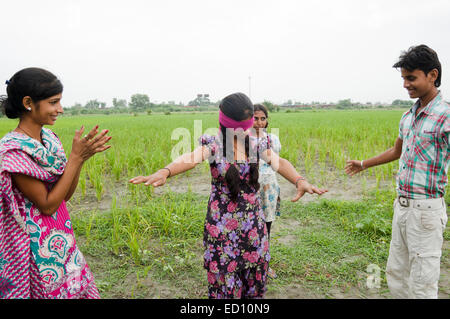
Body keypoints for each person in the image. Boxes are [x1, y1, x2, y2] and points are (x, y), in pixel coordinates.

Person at [130, 92, 327, 299]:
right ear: (226, 123)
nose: (246, 132)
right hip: (222, 232)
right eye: (241, 128)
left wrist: (299, 180)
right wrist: (165, 171)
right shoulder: (214, 145)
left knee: (253, 287)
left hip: (253, 229)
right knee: (225, 287)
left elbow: (280, 162)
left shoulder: (256, 143)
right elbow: (191, 157)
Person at [345, 45, 449, 299]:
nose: (405, 84)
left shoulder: (445, 116)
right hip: (401, 208)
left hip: (426, 212)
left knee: (423, 282)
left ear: (432, 75)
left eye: (411, 78)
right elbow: (397, 151)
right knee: (396, 274)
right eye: (403, 78)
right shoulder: (408, 116)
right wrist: (364, 163)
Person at [0, 67, 111, 299]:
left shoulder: (49, 140)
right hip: (34, 248)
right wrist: (75, 158)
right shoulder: (15, 151)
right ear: (28, 102)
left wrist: (80, 160)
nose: (59, 109)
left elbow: (64, 195)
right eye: (53, 102)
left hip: (62, 237)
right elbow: (48, 205)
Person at [252, 104, 281, 279]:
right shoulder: (242, 140)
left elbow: (277, 162)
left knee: (266, 228)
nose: (259, 122)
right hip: (250, 190)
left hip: (269, 189)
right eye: (255, 118)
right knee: (249, 227)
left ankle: (264, 265)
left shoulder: (273, 139)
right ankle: (249, 265)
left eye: (263, 118)